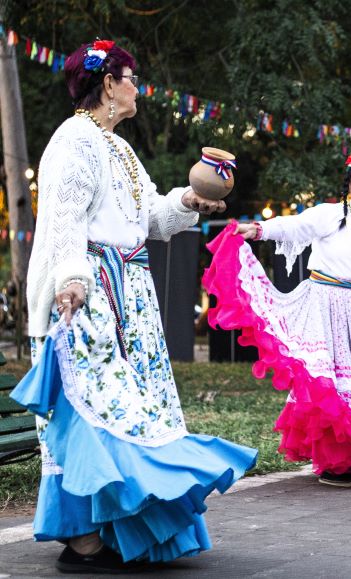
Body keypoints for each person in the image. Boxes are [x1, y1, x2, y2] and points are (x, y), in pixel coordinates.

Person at [11, 40, 258, 573]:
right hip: (88, 291)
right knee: (90, 407)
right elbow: (64, 220)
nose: (137, 88)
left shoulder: (118, 147)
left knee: (132, 410)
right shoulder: (74, 139)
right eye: (130, 77)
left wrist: (187, 203)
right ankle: (80, 540)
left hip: (129, 292)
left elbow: (149, 215)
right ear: (107, 85)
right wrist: (72, 281)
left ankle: (117, 529)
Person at [203, 151, 351, 487]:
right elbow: (293, 226)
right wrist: (256, 230)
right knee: (333, 384)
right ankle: (340, 461)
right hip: (327, 307)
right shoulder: (331, 214)